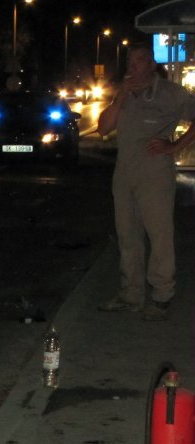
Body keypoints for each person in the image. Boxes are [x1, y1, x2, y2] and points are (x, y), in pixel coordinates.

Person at [96, 44, 195, 321]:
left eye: (139, 60)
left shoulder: (170, 93)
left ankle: (162, 296)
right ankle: (131, 295)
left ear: (152, 65)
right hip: (124, 171)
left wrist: (173, 146)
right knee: (127, 235)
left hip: (154, 172)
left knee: (159, 235)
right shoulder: (124, 93)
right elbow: (103, 128)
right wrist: (121, 97)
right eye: (130, 60)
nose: (133, 65)